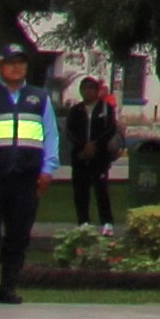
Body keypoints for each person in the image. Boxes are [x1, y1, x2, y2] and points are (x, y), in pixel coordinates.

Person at [0, 49, 57, 302]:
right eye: (10, 63)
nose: (16, 68)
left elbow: (50, 134)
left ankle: (9, 285)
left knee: (19, 232)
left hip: (25, 176)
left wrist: (48, 169)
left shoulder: (39, 97)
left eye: (21, 63)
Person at [65, 78, 125, 227]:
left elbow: (110, 128)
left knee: (101, 191)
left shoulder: (105, 108)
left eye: (91, 88)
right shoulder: (76, 110)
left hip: (100, 157)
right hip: (80, 157)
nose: (88, 91)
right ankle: (83, 223)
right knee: (80, 192)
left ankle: (107, 223)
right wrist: (83, 146)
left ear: (97, 91)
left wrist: (95, 145)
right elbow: (70, 132)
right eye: (84, 88)